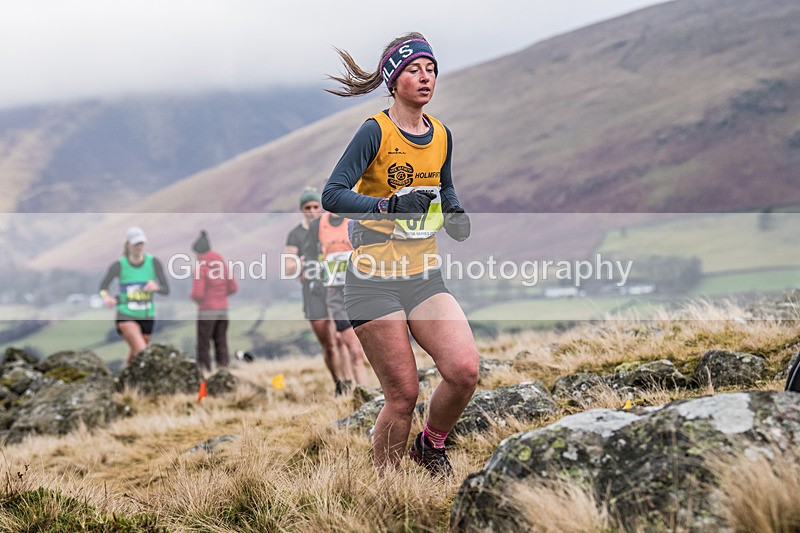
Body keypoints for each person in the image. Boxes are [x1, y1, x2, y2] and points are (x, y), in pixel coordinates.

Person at [322, 32, 478, 476]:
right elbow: (332, 195)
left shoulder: (442, 134)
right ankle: (387, 486)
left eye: (431, 69)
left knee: (464, 369)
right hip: (373, 279)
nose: (425, 77)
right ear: (394, 80)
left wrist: (455, 211)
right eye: (414, 70)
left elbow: (444, 188)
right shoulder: (375, 131)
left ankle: (430, 446)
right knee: (403, 395)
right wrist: (386, 206)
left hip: (423, 273)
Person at [284, 187, 348, 394]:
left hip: (334, 286)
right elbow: (288, 267)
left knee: (341, 337)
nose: (312, 210)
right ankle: (338, 381)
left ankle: (349, 381)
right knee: (328, 343)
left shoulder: (327, 226)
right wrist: (304, 262)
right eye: (307, 207)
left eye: (315, 206)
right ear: (302, 209)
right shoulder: (295, 234)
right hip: (312, 290)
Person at [305, 211, 369, 389]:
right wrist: (315, 278)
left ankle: (371, 396)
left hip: (360, 290)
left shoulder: (356, 218)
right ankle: (365, 397)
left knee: (365, 349)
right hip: (335, 294)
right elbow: (309, 254)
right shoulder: (317, 225)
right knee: (355, 351)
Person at [99, 226, 170, 365]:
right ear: (128, 244)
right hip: (126, 314)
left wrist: (155, 287)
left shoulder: (153, 263)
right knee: (143, 354)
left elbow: (166, 290)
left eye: (141, 243)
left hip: (147, 315)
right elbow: (103, 287)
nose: (139, 247)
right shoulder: (119, 265)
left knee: (136, 359)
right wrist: (106, 297)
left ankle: (124, 382)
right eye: (136, 244)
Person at [190, 230, 238, 374]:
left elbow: (197, 293)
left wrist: (196, 299)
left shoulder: (201, 267)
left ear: (199, 252)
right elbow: (233, 287)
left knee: (203, 344)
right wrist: (221, 297)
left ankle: (204, 371)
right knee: (221, 342)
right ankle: (224, 371)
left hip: (206, 311)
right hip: (223, 310)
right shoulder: (222, 265)